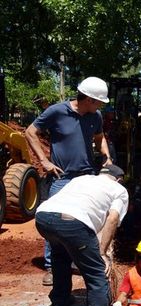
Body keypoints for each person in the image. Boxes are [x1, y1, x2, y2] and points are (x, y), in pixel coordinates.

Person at [25, 76, 112, 286]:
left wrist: (107, 157)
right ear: (89, 99)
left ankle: (78, 262)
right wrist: (44, 161)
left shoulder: (96, 116)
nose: (101, 105)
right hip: (61, 178)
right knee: (55, 223)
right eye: (99, 101)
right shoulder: (57, 111)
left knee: (86, 221)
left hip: (86, 176)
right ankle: (52, 268)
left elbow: (100, 139)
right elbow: (30, 132)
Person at [34, 164, 128, 306]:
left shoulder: (81, 179)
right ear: (120, 179)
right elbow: (113, 218)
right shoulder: (119, 190)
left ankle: (60, 301)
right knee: (97, 274)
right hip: (73, 223)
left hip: (43, 218)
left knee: (60, 256)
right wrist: (102, 252)